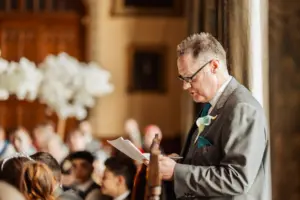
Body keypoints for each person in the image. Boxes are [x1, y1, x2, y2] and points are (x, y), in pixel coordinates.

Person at [150, 33, 271, 200]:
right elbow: (209, 160)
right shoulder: (211, 104)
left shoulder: (242, 108)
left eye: (191, 78)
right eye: (182, 78)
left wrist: (176, 172)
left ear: (214, 66)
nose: (185, 86)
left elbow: (237, 179)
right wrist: (177, 163)